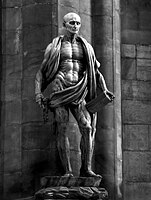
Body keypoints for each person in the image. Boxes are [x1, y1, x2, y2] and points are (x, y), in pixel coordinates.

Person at [35, 12, 114, 178]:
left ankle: (86, 168)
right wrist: (38, 93)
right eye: (71, 23)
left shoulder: (86, 47)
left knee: (86, 127)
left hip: (79, 89)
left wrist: (104, 89)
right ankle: (67, 171)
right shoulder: (55, 46)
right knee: (62, 128)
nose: (75, 26)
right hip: (60, 88)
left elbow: (95, 71)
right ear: (64, 25)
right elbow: (41, 73)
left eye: (78, 23)